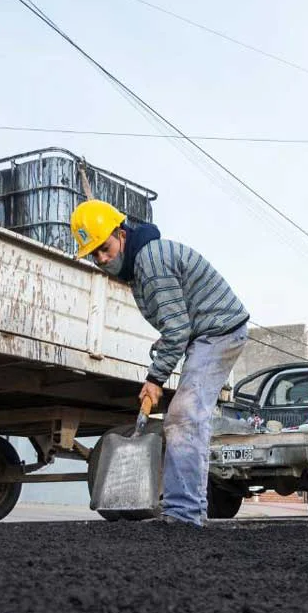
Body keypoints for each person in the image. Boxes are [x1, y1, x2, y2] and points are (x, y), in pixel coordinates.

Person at [69, 200, 249, 526]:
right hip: (204, 333)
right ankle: (181, 511)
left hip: (220, 333)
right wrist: (169, 339)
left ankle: (184, 514)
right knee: (180, 417)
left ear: (121, 235)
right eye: (94, 254)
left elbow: (177, 329)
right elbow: (178, 320)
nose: (103, 259)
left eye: (105, 248)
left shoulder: (149, 262)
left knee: (184, 417)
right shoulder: (140, 266)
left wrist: (155, 378)